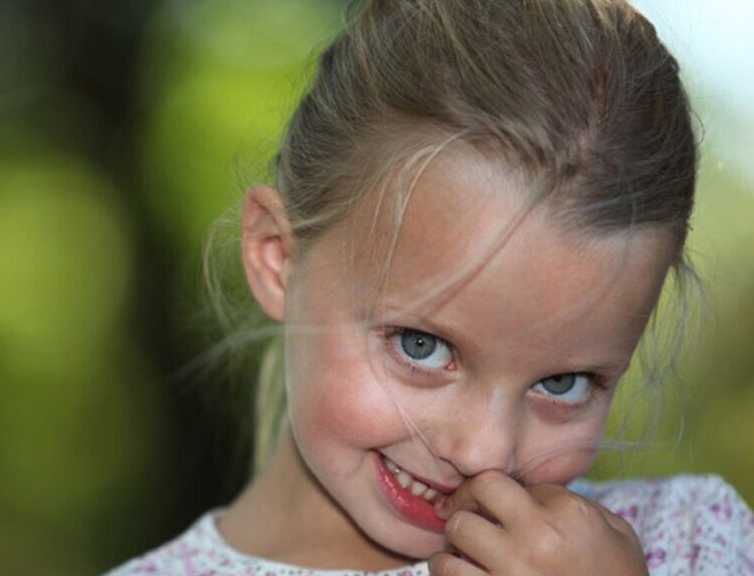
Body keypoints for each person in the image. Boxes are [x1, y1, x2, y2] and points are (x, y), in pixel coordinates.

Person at [106, 0, 753, 574]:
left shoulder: (689, 541)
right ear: (279, 259)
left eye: (563, 384)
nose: (483, 450)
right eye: (421, 346)